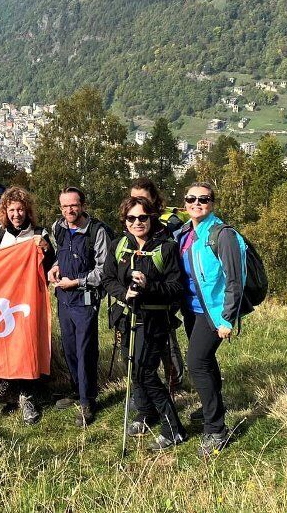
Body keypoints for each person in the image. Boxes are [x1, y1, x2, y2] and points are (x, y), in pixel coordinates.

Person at [101, 193, 188, 449]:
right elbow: (108, 279)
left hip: (153, 319)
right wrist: (124, 293)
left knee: (145, 371)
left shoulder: (166, 248)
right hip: (125, 317)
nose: (137, 223)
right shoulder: (118, 245)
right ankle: (146, 412)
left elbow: (176, 287)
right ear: (124, 220)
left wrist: (149, 285)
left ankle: (173, 429)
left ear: (151, 218)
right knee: (132, 368)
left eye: (142, 217)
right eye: (131, 218)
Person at [173, 181, 250, 457]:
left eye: (203, 199)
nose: (197, 203)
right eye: (191, 199)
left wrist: (227, 319)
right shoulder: (184, 233)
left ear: (212, 203)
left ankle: (216, 429)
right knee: (205, 362)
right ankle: (212, 408)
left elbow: (235, 279)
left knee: (196, 363)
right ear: (185, 203)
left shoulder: (222, 235)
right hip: (192, 309)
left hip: (214, 313)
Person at [0, 186, 55, 424]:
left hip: (28, 300)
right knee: (4, 344)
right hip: (3, 299)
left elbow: (51, 264)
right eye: (12, 210)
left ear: (27, 210)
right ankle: (8, 388)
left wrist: (45, 248)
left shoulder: (39, 233)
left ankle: (27, 395)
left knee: (25, 346)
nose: (16, 214)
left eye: (21, 209)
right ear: (5, 211)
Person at [46, 186, 113, 427]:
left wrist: (76, 282)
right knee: (69, 348)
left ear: (83, 205)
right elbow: (60, 254)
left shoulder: (97, 231)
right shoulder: (58, 227)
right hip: (64, 299)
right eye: (65, 206)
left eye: (73, 205)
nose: (69, 210)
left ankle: (88, 401)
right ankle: (77, 389)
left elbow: (104, 270)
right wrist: (55, 267)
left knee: (85, 350)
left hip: (85, 299)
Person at [130, 178, 187, 395]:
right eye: (134, 198)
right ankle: (149, 386)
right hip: (141, 295)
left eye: (143, 199)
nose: (138, 203)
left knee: (167, 340)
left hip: (165, 292)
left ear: (154, 199)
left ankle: (175, 385)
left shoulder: (169, 226)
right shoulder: (136, 222)